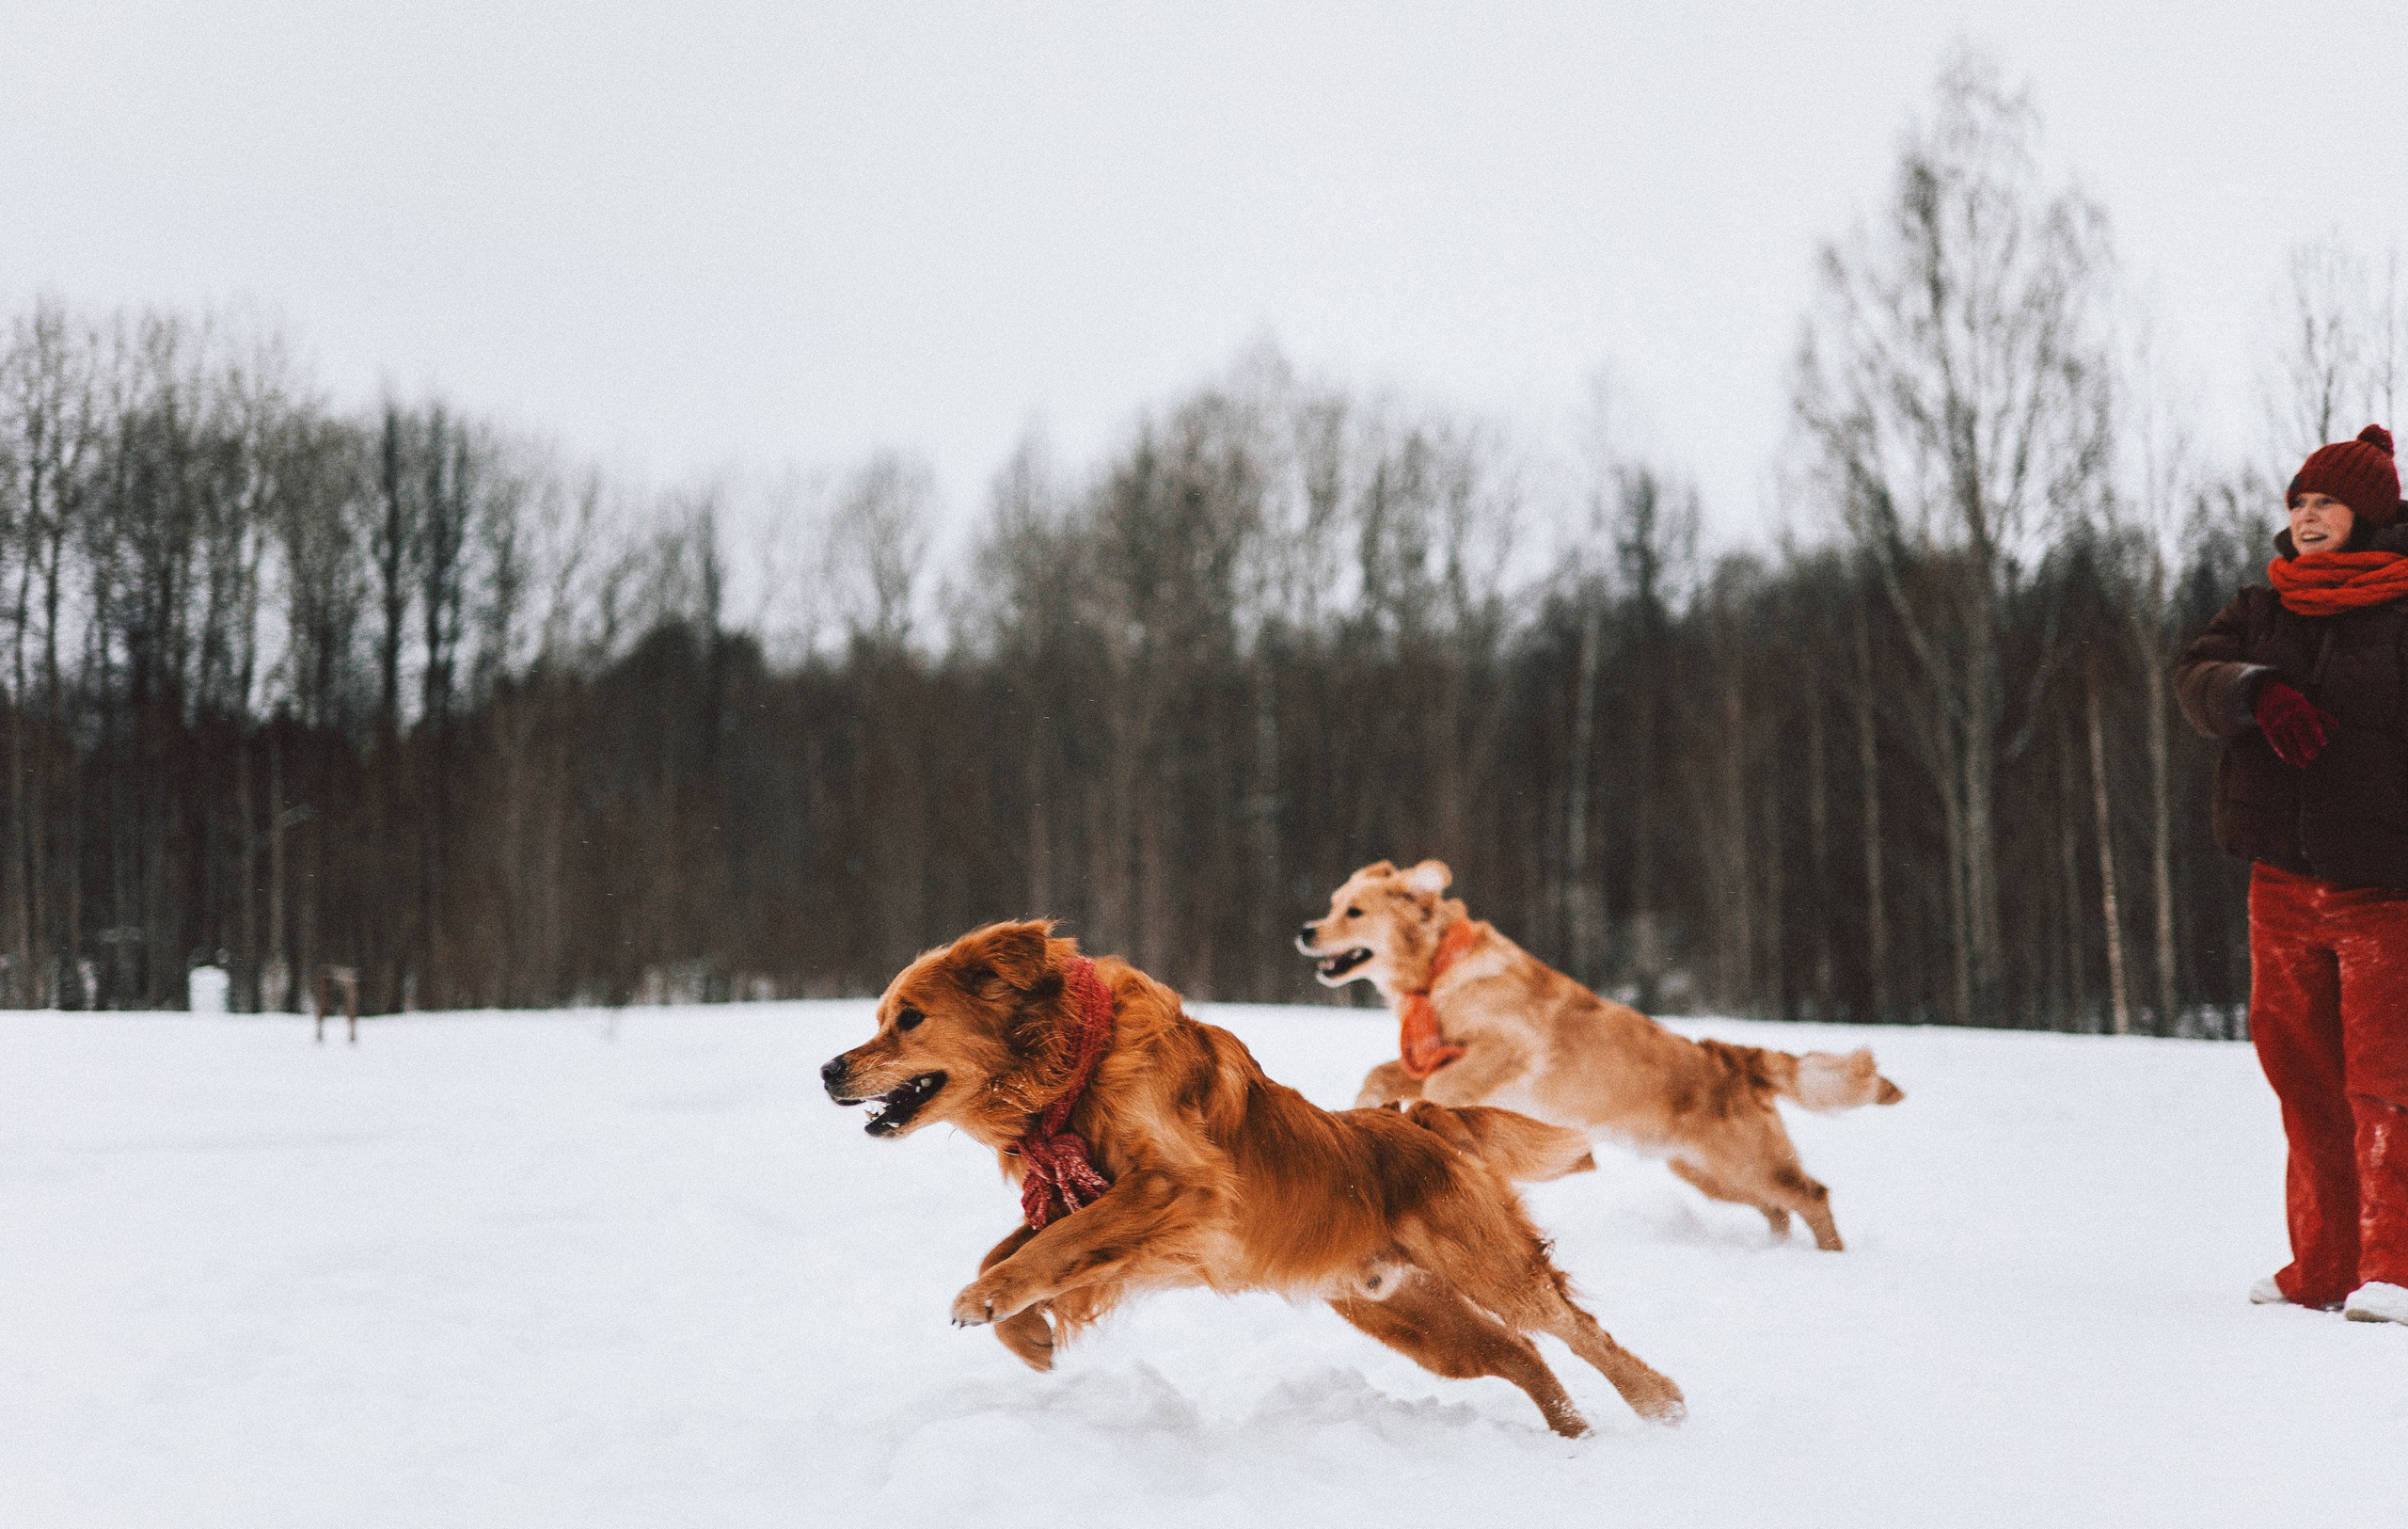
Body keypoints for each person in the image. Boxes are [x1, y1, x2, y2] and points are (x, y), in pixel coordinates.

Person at [2175, 422, 2408, 1324]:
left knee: (2386, 1080)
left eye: (2327, 503)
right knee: (2302, 1074)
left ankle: (2391, 1269)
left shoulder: (2400, 610)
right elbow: (2194, 672)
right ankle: (2323, 1264)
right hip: (2280, 882)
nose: (2308, 518)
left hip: (2383, 885)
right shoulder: (2261, 604)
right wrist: (2254, 689)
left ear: (2371, 513)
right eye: (2299, 503)